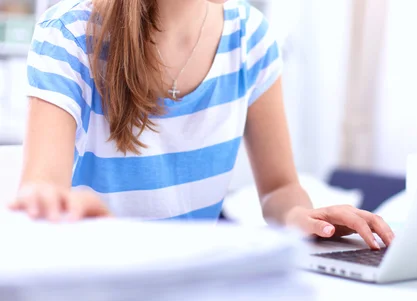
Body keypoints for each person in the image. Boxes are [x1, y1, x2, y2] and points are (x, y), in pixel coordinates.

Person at [8, 0, 394, 250]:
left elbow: (280, 187)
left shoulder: (250, 38)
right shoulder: (68, 35)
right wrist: (60, 208)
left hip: (193, 284)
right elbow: (43, 192)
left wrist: (302, 218)